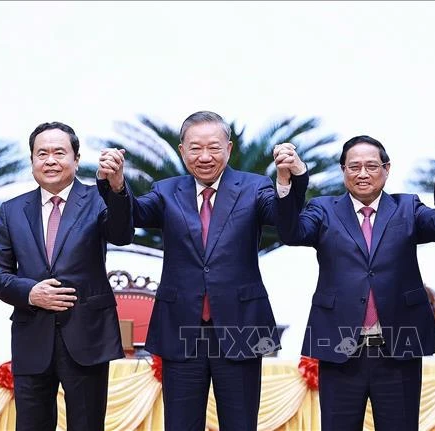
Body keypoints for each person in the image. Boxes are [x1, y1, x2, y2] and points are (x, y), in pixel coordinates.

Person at [96, 110, 309, 431]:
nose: (205, 156)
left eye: (214, 147)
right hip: (181, 328)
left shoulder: (255, 187)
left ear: (229, 148)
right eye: (195, 148)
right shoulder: (166, 190)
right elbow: (132, 217)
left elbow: (284, 220)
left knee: (240, 424)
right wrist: (116, 186)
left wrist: (287, 179)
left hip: (240, 327)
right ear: (182, 150)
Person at [274, 135, 435, 430]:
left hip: (397, 349)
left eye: (371, 166)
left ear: (386, 168)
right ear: (343, 170)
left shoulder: (407, 207)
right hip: (340, 349)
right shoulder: (323, 209)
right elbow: (291, 233)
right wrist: (289, 179)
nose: (363, 173)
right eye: (354, 167)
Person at [0, 122, 134, 431]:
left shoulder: (98, 199)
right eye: (42, 153)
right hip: (31, 336)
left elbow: (121, 234)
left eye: (59, 152)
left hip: (86, 337)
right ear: (32, 161)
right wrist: (29, 293)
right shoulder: (12, 211)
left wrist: (117, 187)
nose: (50, 160)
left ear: (76, 159)